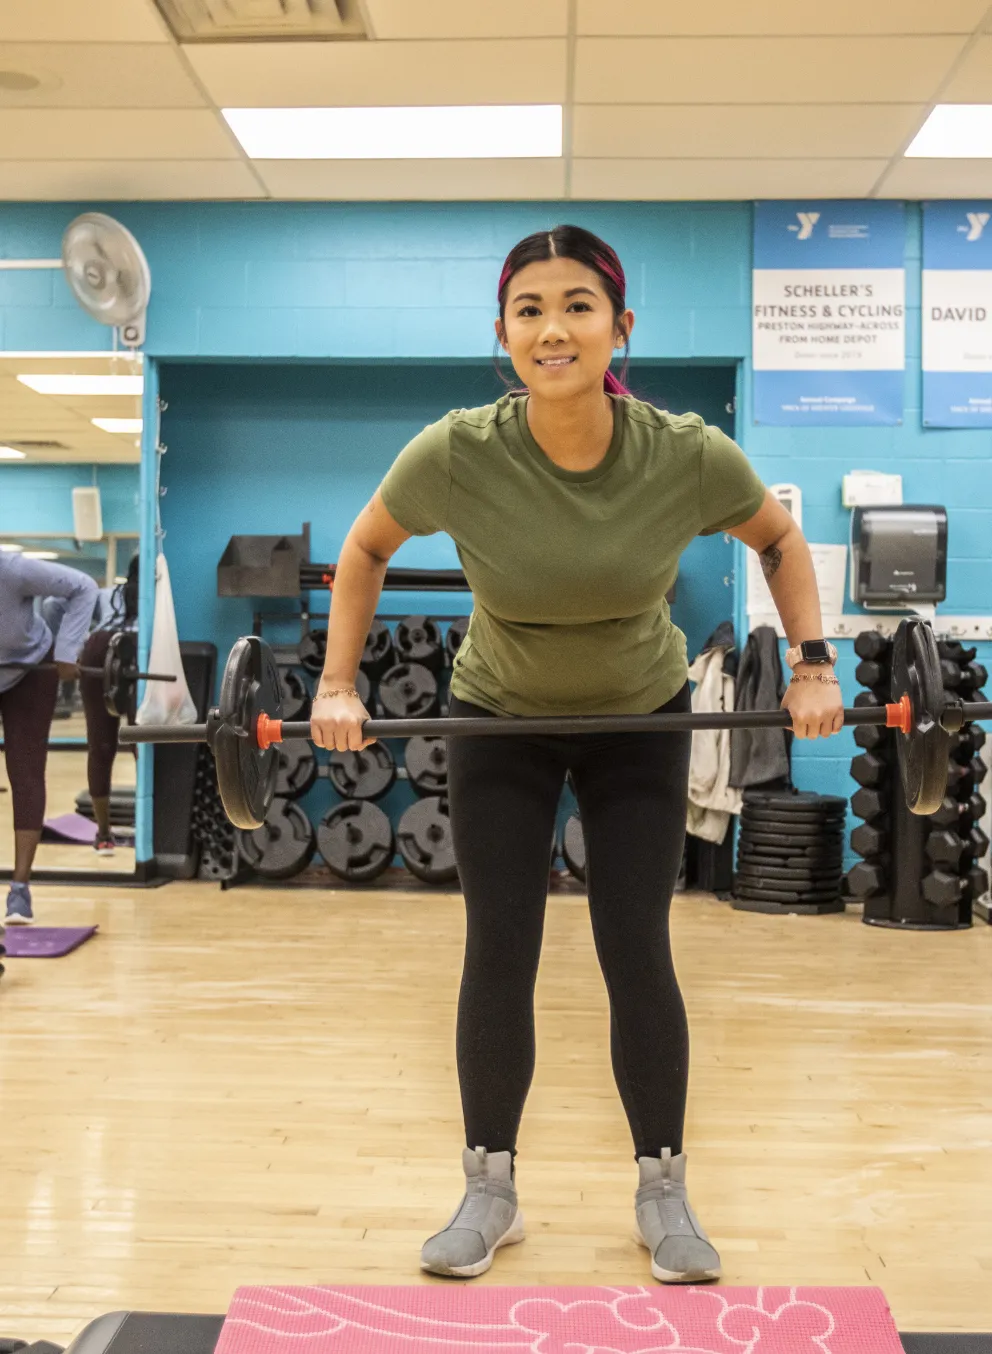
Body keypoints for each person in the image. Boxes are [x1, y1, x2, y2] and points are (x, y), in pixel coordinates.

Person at [310, 225, 844, 1284]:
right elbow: (365, 547)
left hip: (637, 717)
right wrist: (335, 684)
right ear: (504, 333)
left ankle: (663, 1193)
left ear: (618, 327)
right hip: (499, 714)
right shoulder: (457, 451)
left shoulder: (682, 453)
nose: (552, 328)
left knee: (634, 945)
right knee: (499, 946)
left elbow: (777, 539)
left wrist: (813, 664)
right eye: (529, 310)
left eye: (576, 306)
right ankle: (488, 1191)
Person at [0, 552, 99, 923]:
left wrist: (67, 650)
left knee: (25, 772)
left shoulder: (13, 570)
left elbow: (83, 587)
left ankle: (20, 889)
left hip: (29, 669)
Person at [77, 553, 139, 855]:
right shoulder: (158, 596)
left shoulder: (107, 593)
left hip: (96, 646)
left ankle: (103, 834)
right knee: (143, 743)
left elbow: (51, 606)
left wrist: (68, 646)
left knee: (99, 745)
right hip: (135, 648)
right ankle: (147, 824)